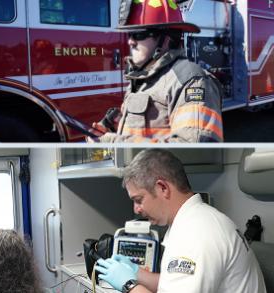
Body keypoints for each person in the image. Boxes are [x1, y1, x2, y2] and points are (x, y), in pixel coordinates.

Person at [94, 149, 266, 292]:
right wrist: (138, 274)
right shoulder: (198, 219)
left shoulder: (195, 234)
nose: (136, 209)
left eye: (139, 199)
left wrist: (128, 285)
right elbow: (176, 284)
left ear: (163, 188)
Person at [91, 0, 223, 143]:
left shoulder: (191, 81)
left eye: (139, 34)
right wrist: (112, 129)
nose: (131, 42)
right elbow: (144, 129)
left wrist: (112, 143)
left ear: (166, 40)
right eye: (130, 34)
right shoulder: (142, 78)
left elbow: (192, 148)